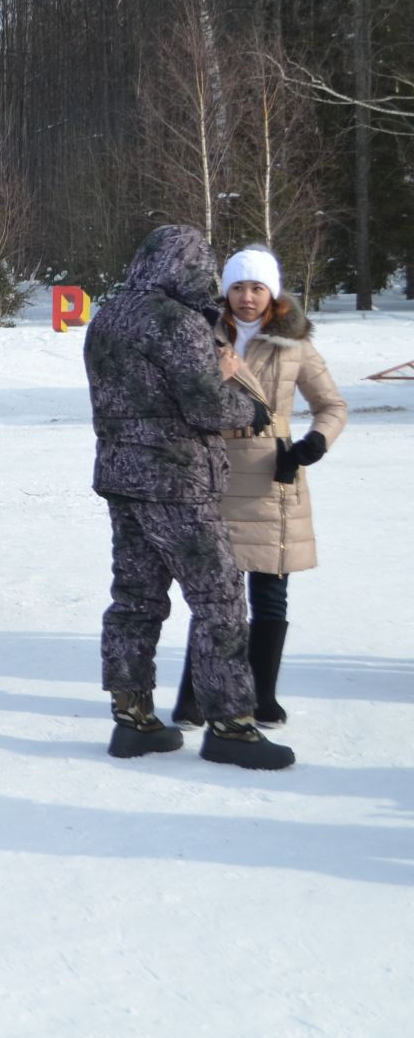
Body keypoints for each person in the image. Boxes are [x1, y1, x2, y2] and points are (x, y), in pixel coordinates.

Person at [84, 224, 294, 769]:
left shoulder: (107, 316)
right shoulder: (176, 322)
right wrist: (247, 405)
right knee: (219, 597)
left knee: (135, 597)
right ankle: (230, 724)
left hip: (121, 477)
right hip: (177, 482)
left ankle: (132, 719)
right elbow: (204, 407)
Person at [173, 246, 345, 729]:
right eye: (238, 287)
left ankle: (261, 696)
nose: (247, 297)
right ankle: (195, 696)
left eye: (257, 287)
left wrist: (313, 443)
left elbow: (333, 405)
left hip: (275, 477)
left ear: (273, 291)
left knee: (269, 594)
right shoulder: (200, 336)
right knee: (213, 595)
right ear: (225, 290)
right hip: (214, 474)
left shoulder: (296, 345)